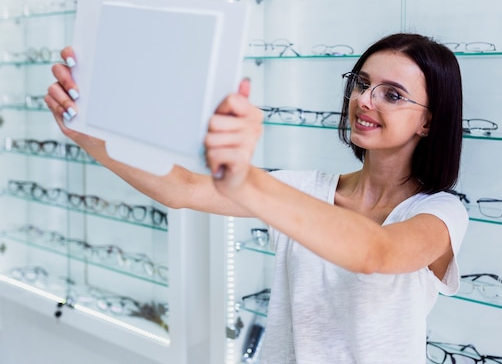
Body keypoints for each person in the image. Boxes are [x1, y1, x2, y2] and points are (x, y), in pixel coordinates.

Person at [46, 32, 468, 364]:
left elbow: (375, 252)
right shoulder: (306, 189)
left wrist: (243, 178)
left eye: (391, 94)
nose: (364, 100)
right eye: (361, 84)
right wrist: (89, 133)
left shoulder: (439, 213)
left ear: (428, 123)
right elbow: (181, 188)